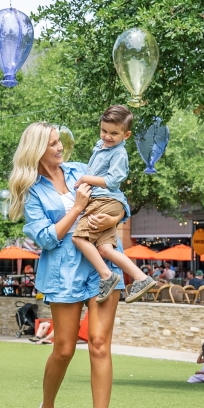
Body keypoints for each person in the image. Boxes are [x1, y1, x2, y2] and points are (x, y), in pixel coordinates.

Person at [10, 121, 129, 408]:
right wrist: (76, 208)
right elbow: (46, 238)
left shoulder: (82, 169)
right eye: (52, 144)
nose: (60, 148)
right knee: (63, 348)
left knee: (100, 343)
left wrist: (114, 217)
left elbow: (118, 198)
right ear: (37, 150)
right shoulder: (31, 190)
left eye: (59, 141)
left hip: (102, 266)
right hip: (63, 273)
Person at [70, 106, 155, 303]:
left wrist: (85, 178)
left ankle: (107, 276)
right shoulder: (101, 146)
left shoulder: (119, 154)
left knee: (79, 238)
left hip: (105, 200)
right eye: (104, 131)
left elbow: (112, 181)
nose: (107, 136)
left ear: (126, 135)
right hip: (106, 201)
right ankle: (141, 278)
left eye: (114, 133)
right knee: (105, 249)